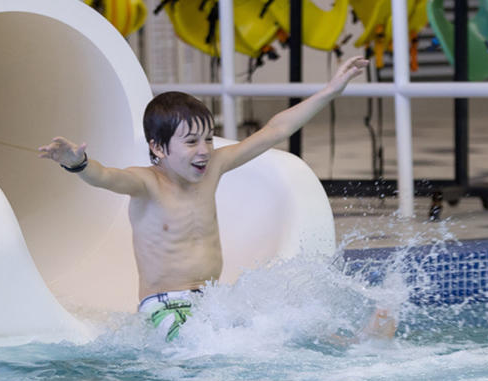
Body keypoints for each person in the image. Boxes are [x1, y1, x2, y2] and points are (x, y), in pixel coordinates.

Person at [39, 56, 387, 342]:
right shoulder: (147, 183)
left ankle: (353, 346)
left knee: (282, 324)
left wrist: (329, 91)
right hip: (165, 307)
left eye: (207, 139)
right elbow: (104, 176)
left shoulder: (215, 166)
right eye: (191, 142)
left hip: (213, 300)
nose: (204, 150)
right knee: (228, 349)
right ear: (158, 148)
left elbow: (274, 132)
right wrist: (77, 163)